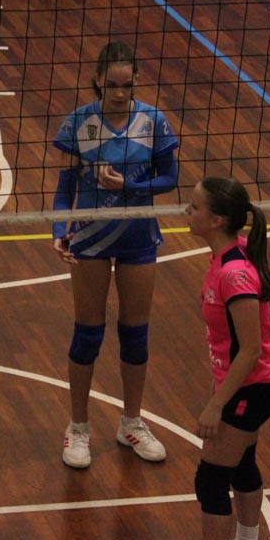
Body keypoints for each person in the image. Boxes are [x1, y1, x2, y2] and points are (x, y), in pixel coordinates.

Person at [51, 40, 178, 469]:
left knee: (135, 334)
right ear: (98, 81)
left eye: (127, 85)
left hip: (138, 238)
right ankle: (78, 428)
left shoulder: (153, 121)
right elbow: (64, 189)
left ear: (136, 80)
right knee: (88, 334)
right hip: (89, 239)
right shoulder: (79, 123)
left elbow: (170, 178)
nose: (120, 93)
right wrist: (58, 230)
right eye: (112, 86)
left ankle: (131, 423)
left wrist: (130, 186)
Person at [181, 177, 270, 540]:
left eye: (194, 207)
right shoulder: (229, 254)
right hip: (251, 384)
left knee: (211, 478)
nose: (187, 211)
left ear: (217, 220)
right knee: (241, 464)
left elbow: (250, 350)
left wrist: (216, 403)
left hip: (251, 387)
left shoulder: (234, 274)